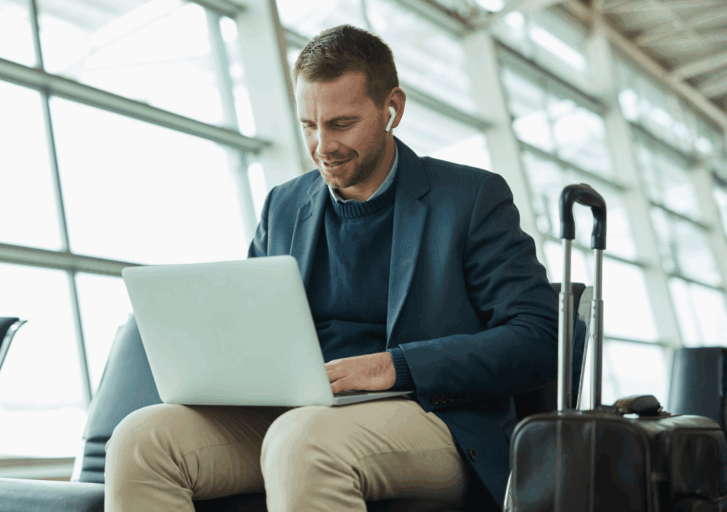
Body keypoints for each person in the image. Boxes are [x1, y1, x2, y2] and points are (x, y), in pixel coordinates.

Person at [105, 25, 559, 512]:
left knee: (305, 440)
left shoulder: (469, 199)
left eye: (341, 124)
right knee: (141, 439)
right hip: (300, 412)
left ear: (393, 110)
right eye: (308, 125)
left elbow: (539, 337)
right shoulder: (284, 205)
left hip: (432, 417)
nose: (322, 145)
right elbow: (252, 326)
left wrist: (393, 366)